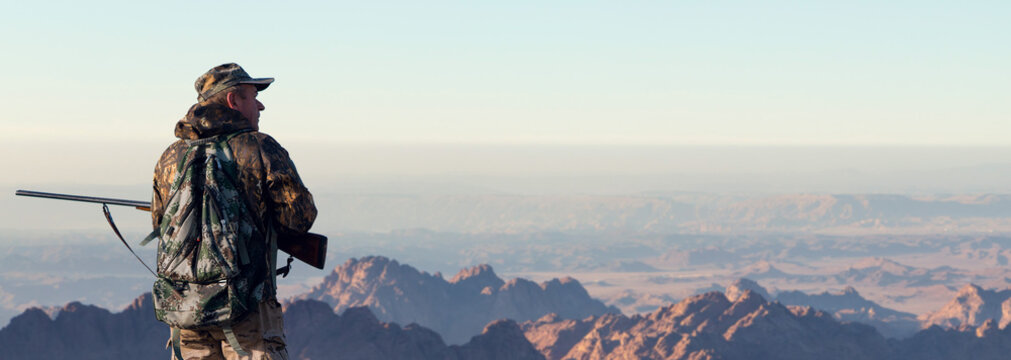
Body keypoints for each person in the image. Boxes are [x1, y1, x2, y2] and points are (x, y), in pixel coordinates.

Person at [151, 63, 317, 359]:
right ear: (233, 101)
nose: (261, 104)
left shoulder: (171, 156)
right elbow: (298, 219)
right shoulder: (260, 148)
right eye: (254, 96)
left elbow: (159, 221)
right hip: (248, 312)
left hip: (186, 310)